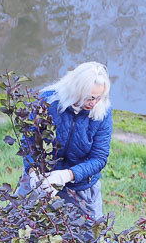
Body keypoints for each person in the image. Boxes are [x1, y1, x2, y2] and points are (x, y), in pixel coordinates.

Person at [18, 61, 113, 219]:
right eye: (90, 98)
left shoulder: (102, 112)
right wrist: (33, 172)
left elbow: (99, 158)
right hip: (43, 180)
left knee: (91, 237)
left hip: (81, 186)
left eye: (99, 97)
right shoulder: (49, 100)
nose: (94, 103)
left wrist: (66, 176)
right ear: (77, 90)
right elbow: (29, 140)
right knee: (18, 221)